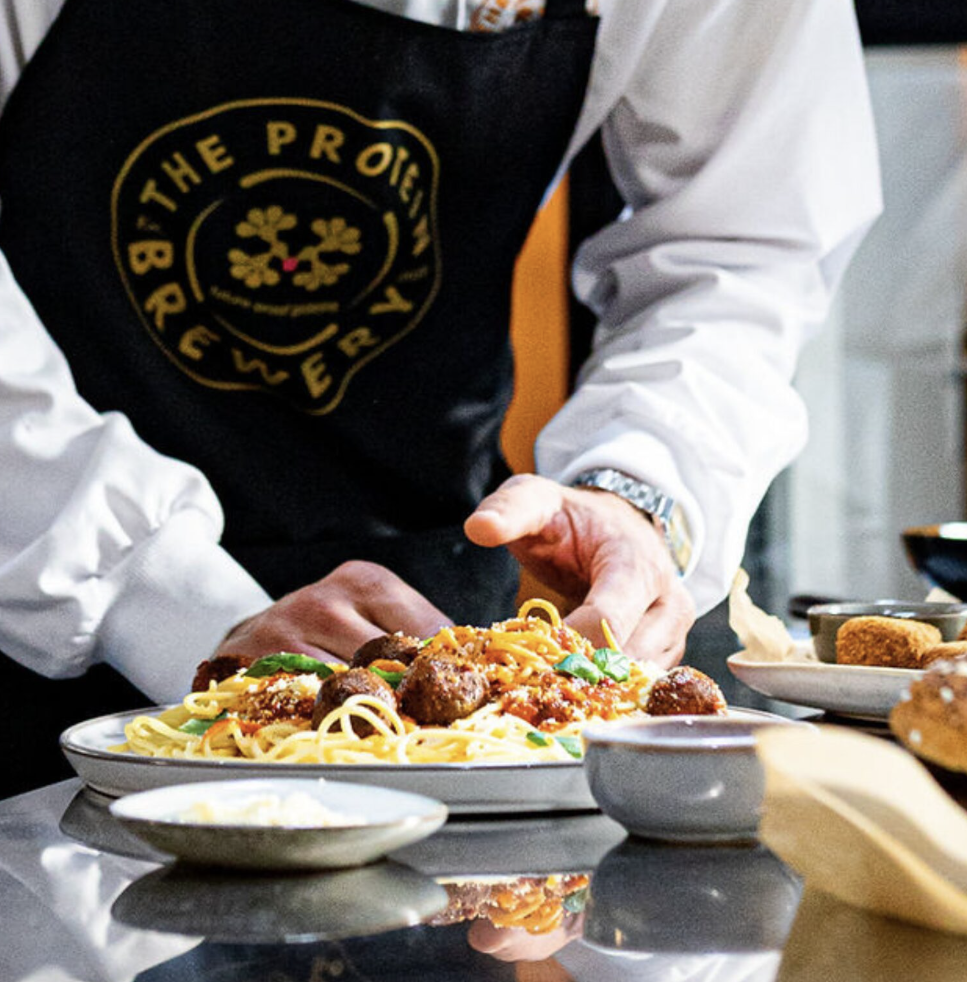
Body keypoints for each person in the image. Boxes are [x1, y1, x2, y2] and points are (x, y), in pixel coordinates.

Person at [0, 0, 879, 746]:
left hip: (439, 616)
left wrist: (639, 490)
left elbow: (743, 238)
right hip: (37, 613)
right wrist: (151, 590)